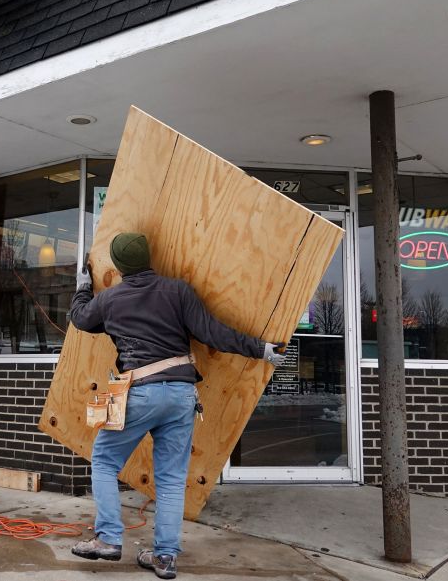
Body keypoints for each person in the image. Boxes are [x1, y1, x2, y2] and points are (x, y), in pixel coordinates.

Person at [68, 232, 286, 579]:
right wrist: (260, 349)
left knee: (105, 462)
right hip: (182, 394)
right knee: (170, 480)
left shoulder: (110, 299)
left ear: (120, 266)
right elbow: (213, 332)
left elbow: (80, 319)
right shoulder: (178, 290)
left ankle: (108, 539)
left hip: (139, 392)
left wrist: (83, 286)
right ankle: (165, 558)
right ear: (147, 258)